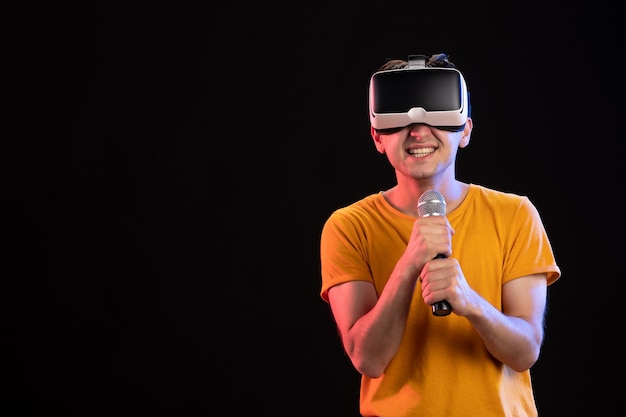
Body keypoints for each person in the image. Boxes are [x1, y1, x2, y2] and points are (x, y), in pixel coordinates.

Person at [319, 53, 562, 417]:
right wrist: (409, 263)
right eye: (400, 119)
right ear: (377, 138)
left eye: (435, 114)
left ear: (464, 131)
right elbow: (368, 359)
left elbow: (525, 351)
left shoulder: (515, 215)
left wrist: (469, 302)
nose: (417, 131)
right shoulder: (348, 226)